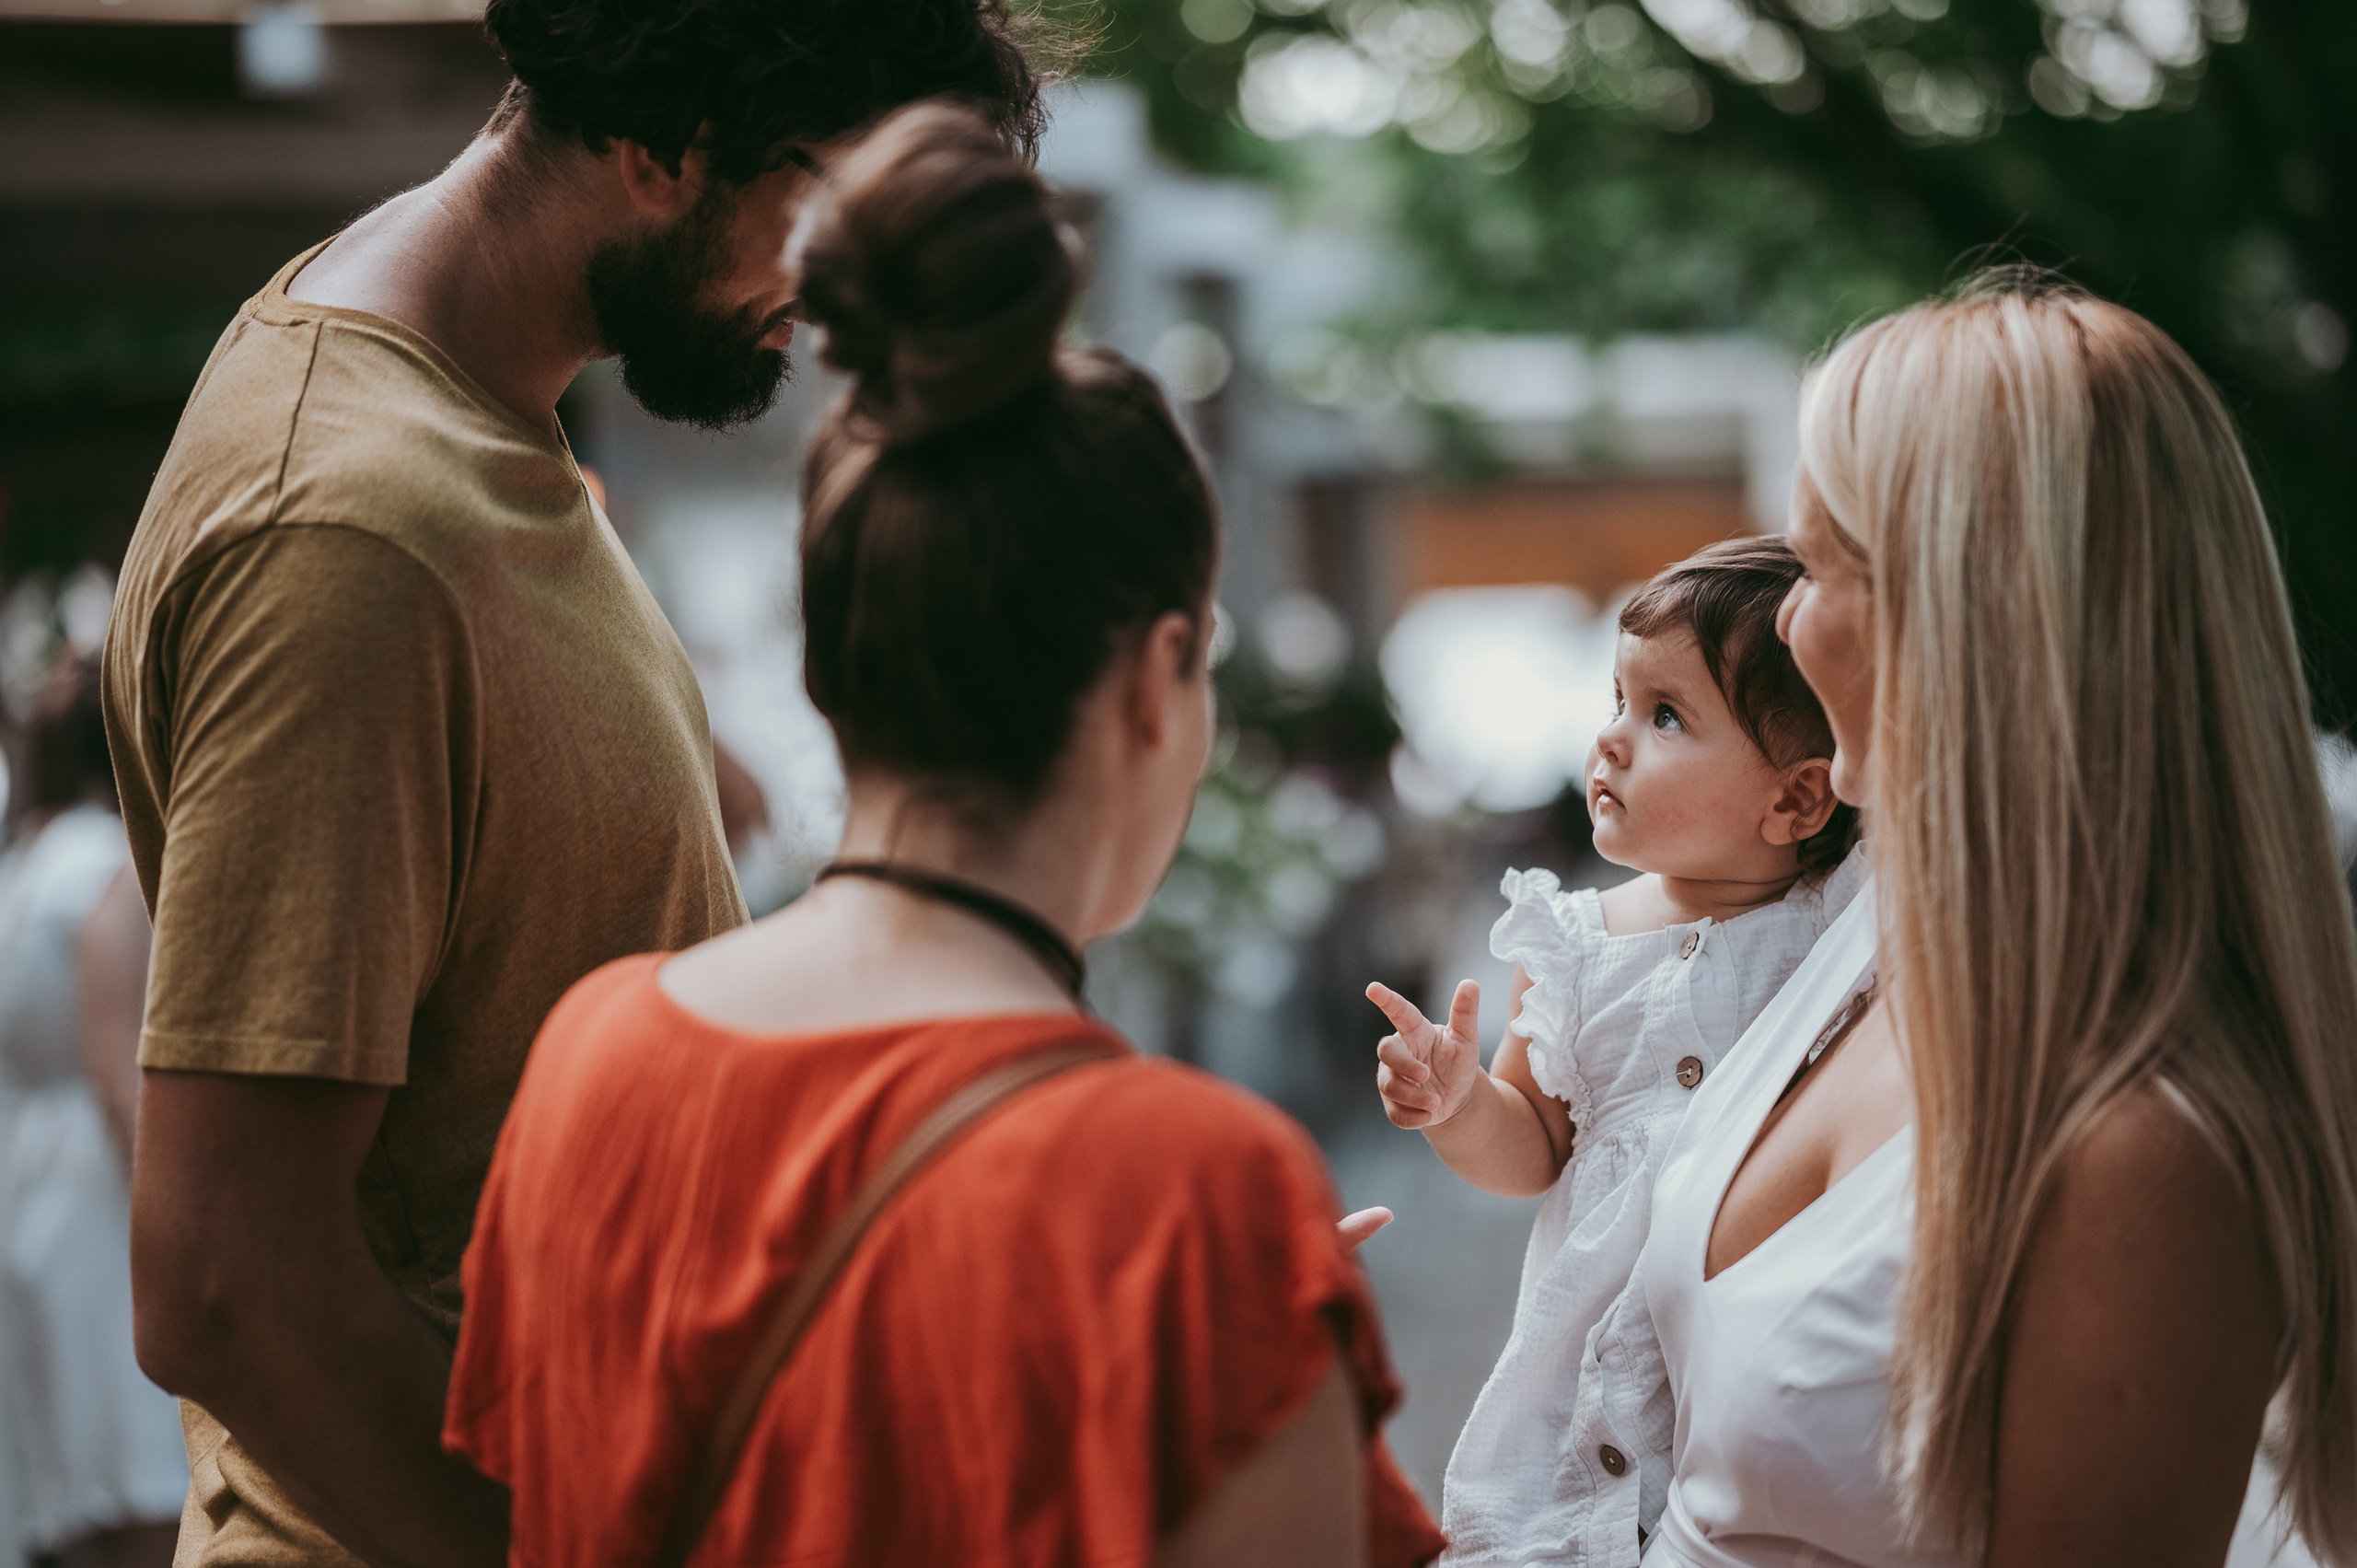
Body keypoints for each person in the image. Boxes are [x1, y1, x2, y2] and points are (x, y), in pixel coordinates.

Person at [99, 5, 1047, 1564]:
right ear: (663, 147)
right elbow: (222, 1272)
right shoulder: (349, 533)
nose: (837, 299)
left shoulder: (476, 415)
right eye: (835, 211)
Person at [444, 100, 1446, 1568]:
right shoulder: (1199, 1200)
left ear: (839, 667)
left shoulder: (593, 1057)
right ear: (1152, 680)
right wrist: (1214, 1299)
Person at [1638, 271, 2357, 1568]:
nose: (1787, 623)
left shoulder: (2138, 1152)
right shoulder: (1873, 934)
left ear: (1965, 616)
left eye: (1816, 566)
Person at [1367, 538, 1859, 1566]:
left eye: (1666, 714)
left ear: (1797, 799)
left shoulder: (1838, 932)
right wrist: (1460, 1105)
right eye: (1617, 700)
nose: (1611, 741)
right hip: (1589, 1362)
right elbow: (1534, 1147)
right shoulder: (1573, 944)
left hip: (1748, 1348)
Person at [0, 654, 186, 1568]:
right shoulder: (110, 864)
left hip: (25, 1165)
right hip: (100, 1183)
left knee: (69, 1460)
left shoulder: (27, 862)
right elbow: (115, 1054)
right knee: (136, 1458)